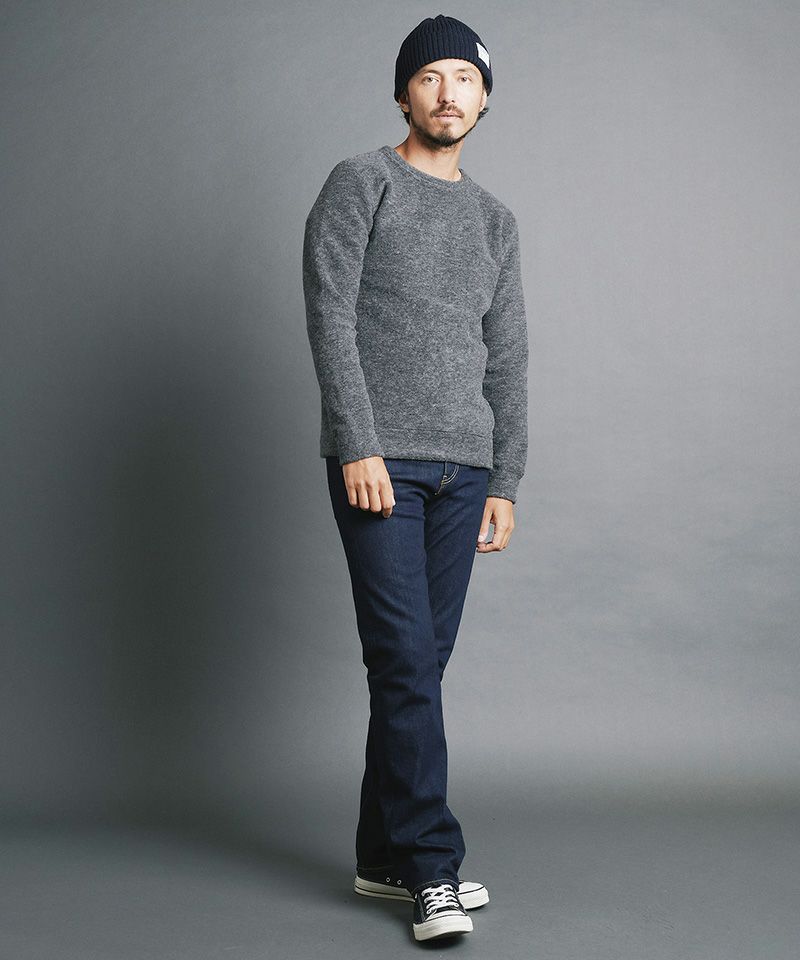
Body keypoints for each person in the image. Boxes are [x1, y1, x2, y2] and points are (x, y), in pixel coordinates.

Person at [302, 13, 528, 942]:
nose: (448, 93)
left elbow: (508, 358)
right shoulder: (361, 182)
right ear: (404, 94)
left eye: (464, 79)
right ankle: (434, 866)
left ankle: (380, 856)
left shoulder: (495, 220)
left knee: (418, 669)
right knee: (403, 661)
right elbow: (328, 313)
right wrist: (356, 442)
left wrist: (505, 479)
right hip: (380, 463)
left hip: (464, 470)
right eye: (430, 77)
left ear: (484, 100)